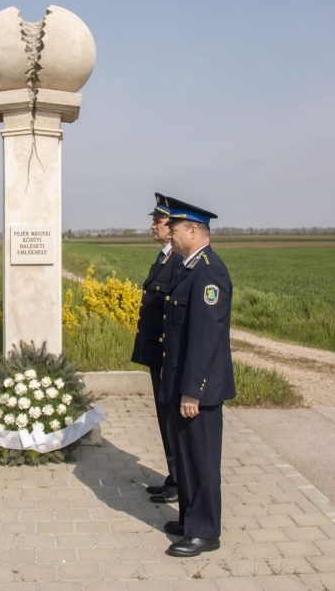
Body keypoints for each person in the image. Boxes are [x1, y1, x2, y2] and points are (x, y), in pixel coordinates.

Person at [158, 196, 235, 558]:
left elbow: (206, 339)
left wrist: (193, 391)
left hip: (197, 389)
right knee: (188, 458)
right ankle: (190, 518)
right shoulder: (188, 268)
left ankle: (206, 531)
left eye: (174, 229)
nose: (169, 234)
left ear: (193, 230)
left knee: (202, 459)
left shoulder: (209, 272)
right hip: (181, 383)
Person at [130, 193, 183, 505]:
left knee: (172, 419)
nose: (152, 225)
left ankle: (179, 480)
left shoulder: (176, 261)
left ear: (171, 225)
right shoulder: (165, 257)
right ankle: (173, 476)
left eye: (158, 221)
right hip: (156, 353)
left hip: (165, 355)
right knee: (164, 419)